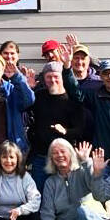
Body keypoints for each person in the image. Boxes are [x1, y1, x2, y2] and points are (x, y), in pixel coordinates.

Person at [63, 54, 110, 176]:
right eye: (105, 74)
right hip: (103, 159)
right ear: (100, 76)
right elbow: (75, 92)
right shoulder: (96, 96)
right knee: (102, 193)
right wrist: (67, 68)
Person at [35, 140, 106, 220]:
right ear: (51, 158)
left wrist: (86, 161)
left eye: (63, 151)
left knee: (83, 210)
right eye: (55, 153)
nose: (59, 155)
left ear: (71, 153)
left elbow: (96, 189)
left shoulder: (82, 170)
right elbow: (47, 213)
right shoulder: (50, 182)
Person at [26, 62, 84, 191]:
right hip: (41, 156)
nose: (52, 80)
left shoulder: (71, 99)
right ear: (44, 79)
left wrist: (66, 131)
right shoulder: (38, 96)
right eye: (49, 77)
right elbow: (24, 109)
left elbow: (81, 130)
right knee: (39, 194)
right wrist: (29, 89)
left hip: (64, 157)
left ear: (62, 77)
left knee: (66, 195)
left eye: (56, 76)